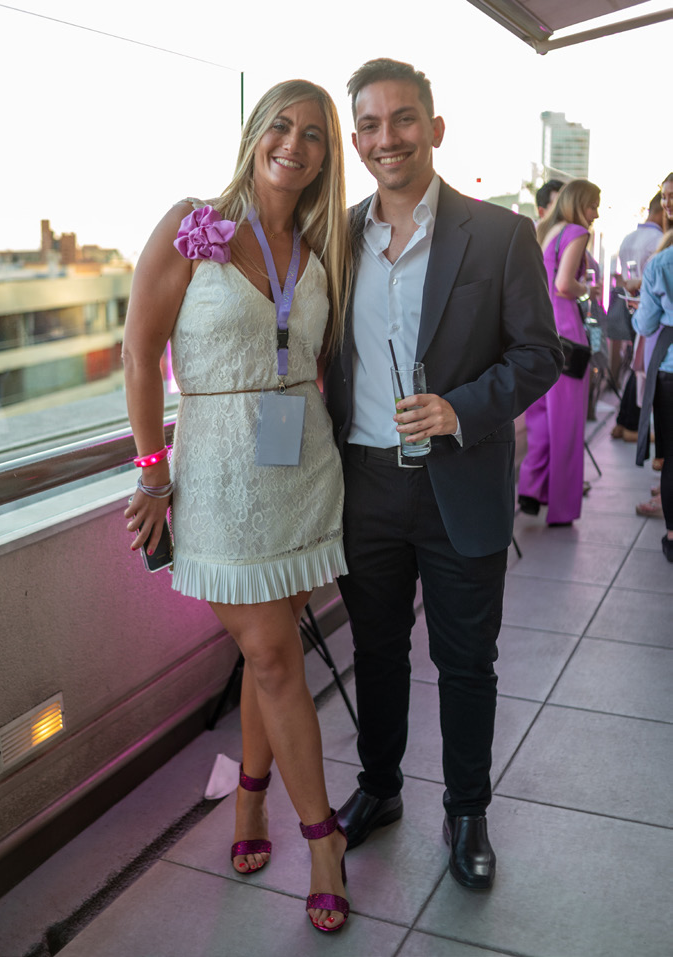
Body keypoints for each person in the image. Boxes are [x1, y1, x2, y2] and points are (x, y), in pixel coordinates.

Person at [324, 58, 562, 890]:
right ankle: (379, 786)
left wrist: (458, 408)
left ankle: (466, 811)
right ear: (356, 140)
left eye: (402, 119)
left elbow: (539, 353)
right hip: (364, 484)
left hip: (459, 481)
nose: (386, 137)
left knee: (465, 661)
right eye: (370, 124)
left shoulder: (498, 234)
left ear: (434, 128)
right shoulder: (335, 238)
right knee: (376, 652)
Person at [122, 79, 352, 932]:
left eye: (313, 134)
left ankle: (250, 795)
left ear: (325, 156)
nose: (294, 143)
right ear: (254, 134)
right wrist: (153, 473)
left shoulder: (318, 246)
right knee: (274, 656)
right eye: (280, 126)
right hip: (217, 480)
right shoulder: (192, 224)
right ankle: (323, 838)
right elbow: (139, 354)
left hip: (302, 473)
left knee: (269, 655)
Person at [518, 178, 601, 526]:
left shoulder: (545, 231)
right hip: (568, 336)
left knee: (540, 418)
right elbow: (565, 284)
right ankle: (562, 508)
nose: (595, 214)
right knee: (567, 425)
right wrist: (590, 291)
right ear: (579, 204)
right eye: (593, 206)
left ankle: (531, 488)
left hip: (538, 332)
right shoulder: (577, 233)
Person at [632, 203, 673, 560]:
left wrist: (637, 312)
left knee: (671, 456)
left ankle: (672, 536)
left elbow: (645, 324)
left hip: (670, 366)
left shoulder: (662, 263)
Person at [611, 192, 665, 443]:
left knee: (637, 362)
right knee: (641, 365)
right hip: (648, 308)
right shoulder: (659, 240)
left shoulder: (629, 238)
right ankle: (631, 423)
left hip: (629, 304)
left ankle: (623, 421)